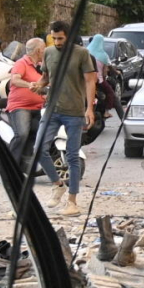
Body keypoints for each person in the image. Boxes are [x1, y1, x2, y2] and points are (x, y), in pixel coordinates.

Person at [31, 23, 97, 213]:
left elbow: (90, 81)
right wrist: (38, 85)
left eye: (61, 38)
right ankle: (58, 184)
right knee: (39, 149)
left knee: (72, 156)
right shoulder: (49, 53)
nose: (58, 42)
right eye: (54, 38)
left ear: (68, 36)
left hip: (74, 111)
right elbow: (46, 77)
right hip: (52, 109)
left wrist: (89, 108)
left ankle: (72, 201)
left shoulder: (81, 54)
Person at [5, 45, 46, 170]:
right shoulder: (21, 63)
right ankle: (9, 169)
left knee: (42, 133)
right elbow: (15, 80)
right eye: (44, 49)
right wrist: (29, 85)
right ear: (38, 50)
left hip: (39, 106)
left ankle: (27, 164)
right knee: (22, 134)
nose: (45, 51)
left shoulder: (40, 66)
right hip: (20, 106)